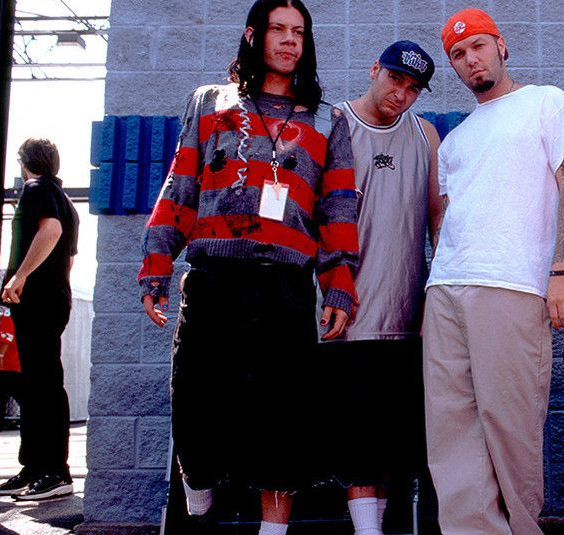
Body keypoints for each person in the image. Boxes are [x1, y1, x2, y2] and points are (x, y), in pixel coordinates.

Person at [137, 1, 358, 533]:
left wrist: (339, 288)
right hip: (214, 282)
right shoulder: (209, 102)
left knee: (281, 425)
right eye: (278, 29)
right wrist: (156, 264)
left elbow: (338, 212)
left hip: (285, 288)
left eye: (298, 32)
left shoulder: (329, 120)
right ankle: (200, 505)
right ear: (253, 36)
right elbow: (180, 185)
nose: (289, 41)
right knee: (195, 413)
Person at [422, 8, 564, 535]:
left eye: (478, 46)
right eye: (458, 54)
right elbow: (446, 223)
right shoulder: (455, 140)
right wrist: (432, 290)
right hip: (445, 289)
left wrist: (562, 268)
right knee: (451, 433)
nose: (470, 59)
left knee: (510, 425)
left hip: (511, 285)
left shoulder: (546, 101)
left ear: (501, 46)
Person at [327, 40, 442, 535]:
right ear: (375, 69)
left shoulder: (425, 135)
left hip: (406, 316)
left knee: (397, 446)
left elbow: (439, 222)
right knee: (357, 445)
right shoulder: (334, 124)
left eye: (413, 88)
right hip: (346, 313)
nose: (401, 93)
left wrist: (437, 297)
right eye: (395, 79)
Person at [0, 138, 79, 501]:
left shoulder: (36, 190)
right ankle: (34, 468)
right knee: (35, 384)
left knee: (43, 385)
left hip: (37, 300)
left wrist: (20, 276)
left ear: (23, 162)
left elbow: (51, 231)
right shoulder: (65, 200)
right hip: (53, 298)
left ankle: (54, 472)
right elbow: (69, 257)